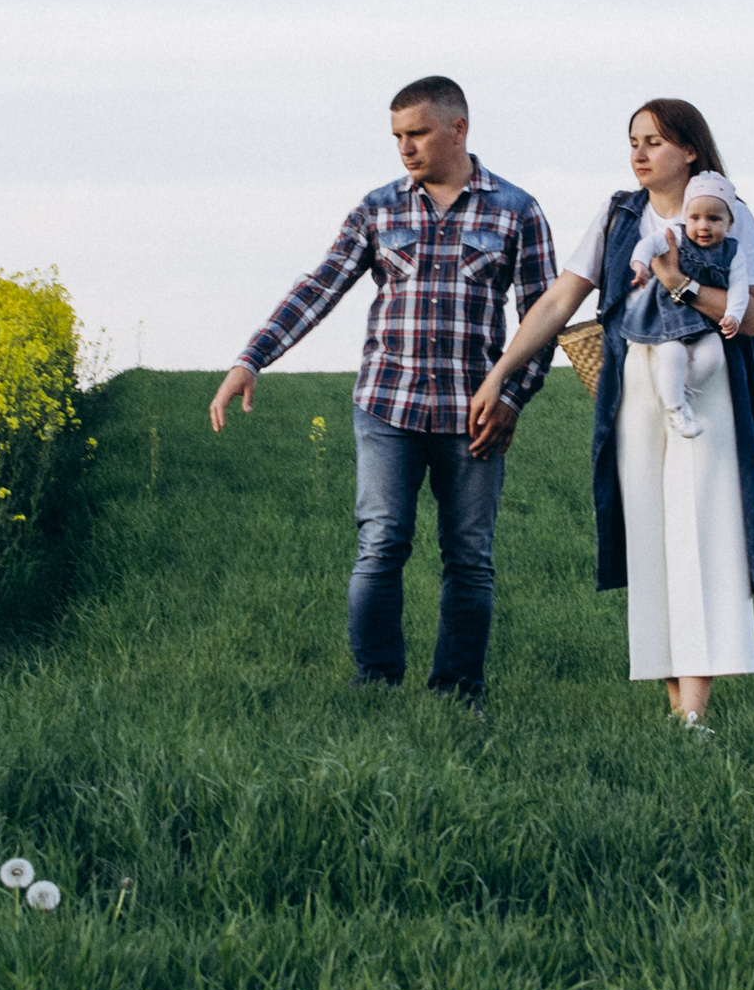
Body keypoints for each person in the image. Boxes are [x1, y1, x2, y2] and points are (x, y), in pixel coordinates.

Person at [208, 76, 558, 715]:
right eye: (398, 136)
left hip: (471, 414)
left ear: (458, 128)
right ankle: (376, 683)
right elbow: (320, 287)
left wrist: (513, 398)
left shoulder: (517, 210)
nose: (406, 148)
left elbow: (544, 318)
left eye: (418, 133)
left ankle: (459, 694)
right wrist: (250, 359)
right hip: (387, 406)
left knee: (470, 558)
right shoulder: (378, 208)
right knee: (381, 544)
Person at [469, 99, 754, 732]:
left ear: (691, 150)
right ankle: (679, 711)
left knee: (703, 532)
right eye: (633, 142)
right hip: (632, 389)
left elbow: (749, 318)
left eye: (654, 142)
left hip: (707, 394)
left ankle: (694, 712)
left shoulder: (730, 216)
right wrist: (500, 371)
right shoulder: (619, 215)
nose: (639, 154)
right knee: (650, 539)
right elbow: (561, 298)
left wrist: (677, 283)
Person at [623, 172, 749, 438]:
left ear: (729, 224)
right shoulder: (677, 237)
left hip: (701, 320)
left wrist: (733, 315)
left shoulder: (733, 251)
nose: (703, 225)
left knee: (712, 358)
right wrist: (640, 265)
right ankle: (676, 409)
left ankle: (679, 393)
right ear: (685, 217)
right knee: (673, 355)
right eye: (695, 217)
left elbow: (739, 287)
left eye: (713, 219)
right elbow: (647, 245)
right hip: (665, 314)